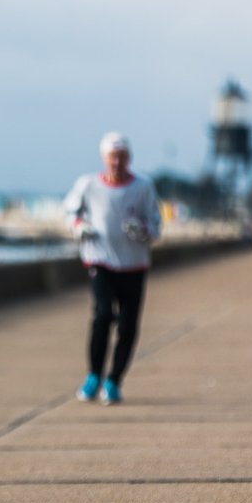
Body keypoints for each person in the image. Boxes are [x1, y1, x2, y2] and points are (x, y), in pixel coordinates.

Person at [64, 132, 162, 405]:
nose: (116, 162)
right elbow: (70, 212)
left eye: (121, 157)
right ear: (104, 159)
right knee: (103, 315)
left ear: (129, 158)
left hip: (134, 266)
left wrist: (143, 231)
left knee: (128, 327)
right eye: (111, 157)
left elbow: (156, 225)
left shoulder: (143, 187)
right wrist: (79, 227)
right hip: (100, 262)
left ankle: (114, 380)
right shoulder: (88, 185)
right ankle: (93, 375)